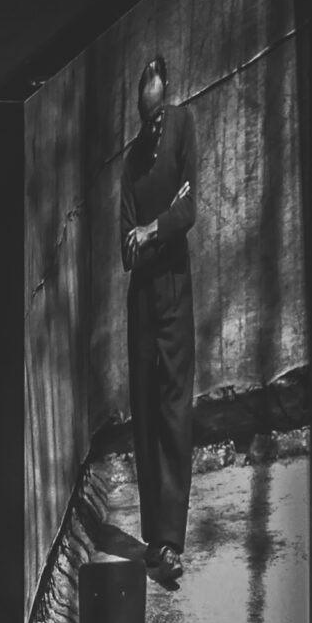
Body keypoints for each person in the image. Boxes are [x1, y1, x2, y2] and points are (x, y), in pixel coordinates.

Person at [121, 55, 199, 590]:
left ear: (166, 96)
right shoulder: (131, 162)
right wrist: (152, 230)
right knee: (146, 411)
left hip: (174, 287)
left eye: (156, 116)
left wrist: (152, 229)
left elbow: (188, 211)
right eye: (144, 118)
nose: (151, 127)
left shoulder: (183, 127)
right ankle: (154, 539)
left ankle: (172, 541)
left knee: (174, 409)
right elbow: (123, 248)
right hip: (142, 299)